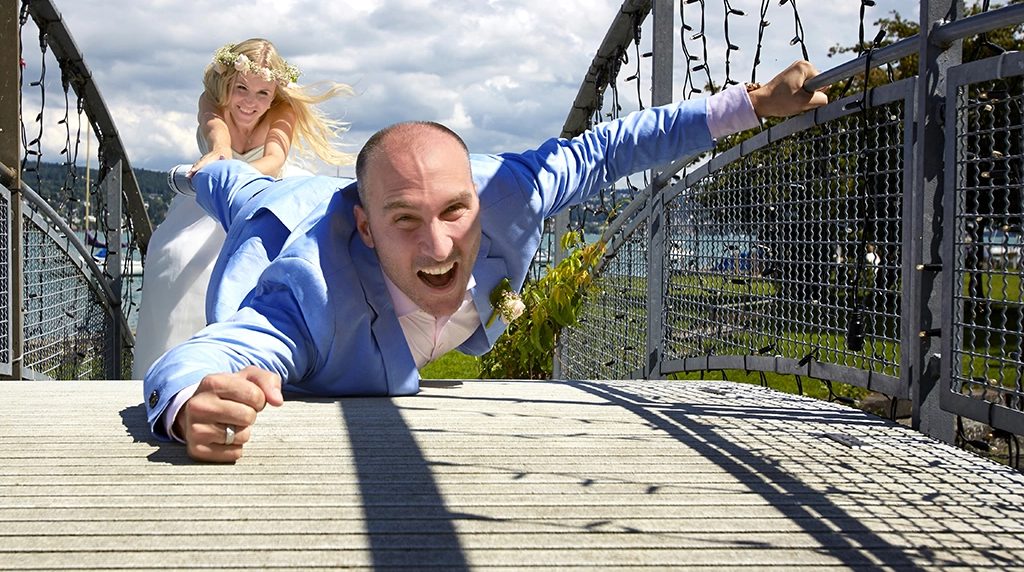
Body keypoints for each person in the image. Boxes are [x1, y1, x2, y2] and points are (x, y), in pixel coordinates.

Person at [143, 60, 828, 462]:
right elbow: (196, 358)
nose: (440, 249)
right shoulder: (311, 292)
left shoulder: (511, 192)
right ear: (368, 229)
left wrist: (753, 104)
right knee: (225, 182)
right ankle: (186, 170)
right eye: (407, 222)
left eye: (454, 212)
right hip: (277, 212)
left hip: (361, 193)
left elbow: (610, 148)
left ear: (478, 195)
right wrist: (185, 401)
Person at [131, 39, 355, 379]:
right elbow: (217, 138)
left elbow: (274, 160)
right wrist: (220, 158)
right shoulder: (210, 102)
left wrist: (236, 177)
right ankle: (169, 368)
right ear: (227, 83)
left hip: (263, 192)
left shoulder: (283, 111)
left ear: (275, 94)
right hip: (209, 197)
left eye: (263, 94)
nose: (250, 102)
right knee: (176, 258)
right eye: (241, 89)